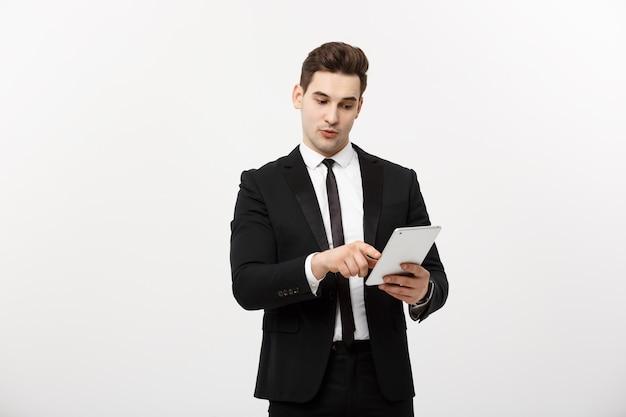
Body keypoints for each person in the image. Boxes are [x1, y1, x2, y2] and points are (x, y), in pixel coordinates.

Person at [230, 41, 448, 417]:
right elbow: (248, 286)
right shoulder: (260, 185)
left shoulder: (399, 181)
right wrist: (321, 263)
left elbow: (437, 279)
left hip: (384, 381)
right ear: (298, 96)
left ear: (359, 107)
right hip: (299, 382)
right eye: (321, 100)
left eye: (346, 105)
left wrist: (423, 290)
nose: (332, 116)